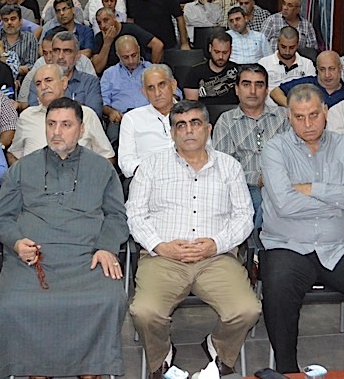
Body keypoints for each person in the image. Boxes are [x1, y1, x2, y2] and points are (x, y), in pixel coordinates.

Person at [259, 83, 344, 373]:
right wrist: (338, 201)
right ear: (288, 116)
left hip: (339, 245)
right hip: (287, 245)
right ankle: (288, 370)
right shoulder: (275, 149)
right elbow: (284, 204)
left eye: (314, 115)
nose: (308, 124)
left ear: (325, 112)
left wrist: (313, 189)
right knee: (278, 290)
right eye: (299, 117)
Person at [0, 96, 128, 379]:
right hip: (33, 260)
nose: (56, 132)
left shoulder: (102, 169)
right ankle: (36, 370)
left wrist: (106, 247)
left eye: (66, 125)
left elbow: (116, 216)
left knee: (108, 298)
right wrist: (16, 242)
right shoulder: (21, 168)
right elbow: (3, 219)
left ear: (81, 129)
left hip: (87, 259)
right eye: (51, 124)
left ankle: (90, 368)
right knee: (11, 303)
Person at [127, 100, 261, 379]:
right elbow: (135, 215)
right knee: (144, 312)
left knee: (247, 310)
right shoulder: (150, 166)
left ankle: (218, 347)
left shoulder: (229, 166)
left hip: (216, 258)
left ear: (208, 129)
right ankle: (161, 356)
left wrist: (216, 244)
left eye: (195, 123)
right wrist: (160, 246)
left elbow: (243, 217)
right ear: (172, 132)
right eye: (181, 125)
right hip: (163, 258)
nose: (188, 131)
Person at [212, 63, 290, 228]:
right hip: (244, 186)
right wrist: (257, 179)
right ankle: (260, 242)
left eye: (259, 85)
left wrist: (273, 178)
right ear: (237, 89)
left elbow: (294, 155)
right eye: (246, 84)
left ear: (266, 90)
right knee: (262, 201)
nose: (253, 91)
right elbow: (224, 168)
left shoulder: (283, 117)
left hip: (282, 183)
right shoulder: (226, 121)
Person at [8, 64, 113, 165]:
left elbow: (107, 157)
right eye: (38, 84)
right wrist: (23, 174)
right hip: (35, 175)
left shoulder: (86, 114)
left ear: (64, 83)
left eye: (48, 80)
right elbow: (13, 153)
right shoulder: (26, 116)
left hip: (78, 175)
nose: (43, 87)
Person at [118, 64, 178, 178]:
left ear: (173, 85)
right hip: (148, 178)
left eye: (161, 85)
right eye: (151, 88)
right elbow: (126, 162)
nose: (157, 93)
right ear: (144, 92)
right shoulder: (132, 118)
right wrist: (150, 172)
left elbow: (205, 152)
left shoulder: (191, 114)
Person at [18, 31, 101, 113]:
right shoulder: (39, 81)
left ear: (78, 55)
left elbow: (94, 115)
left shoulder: (90, 82)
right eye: (56, 50)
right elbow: (35, 112)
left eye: (67, 51)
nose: (60, 56)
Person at [101, 35, 152, 142]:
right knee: (112, 139)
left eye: (134, 55)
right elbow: (103, 102)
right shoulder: (109, 74)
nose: (131, 61)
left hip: (150, 117)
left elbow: (174, 94)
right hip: (121, 119)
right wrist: (111, 112)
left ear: (139, 50)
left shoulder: (152, 69)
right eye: (125, 57)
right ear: (118, 55)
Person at [126, 0, 190, 51]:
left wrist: (184, 43)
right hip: (142, 45)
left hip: (166, 44)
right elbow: (130, 20)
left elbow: (179, 17)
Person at [92, 7, 164, 74]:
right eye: (99, 23)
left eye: (106, 20)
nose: (103, 26)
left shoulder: (131, 29)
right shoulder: (99, 38)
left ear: (114, 17)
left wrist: (152, 71)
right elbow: (98, 68)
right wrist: (107, 43)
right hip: (113, 76)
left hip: (137, 72)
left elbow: (158, 45)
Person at [271, 49, 344, 108]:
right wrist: (294, 107)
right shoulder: (307, 84)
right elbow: (275, 92)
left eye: (331, 69)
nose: (327, 75)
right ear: (317, 69)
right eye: (322, 69)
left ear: (340, 68)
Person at [182, 28, 240, 105]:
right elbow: (191, 106)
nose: (220, 56)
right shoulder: (194, 73)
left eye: (225, 52)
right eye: (217, 52)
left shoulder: (238, 71)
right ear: (210, 48)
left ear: (231, 50)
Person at [258, 26, 315, 93]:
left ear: (297, 44)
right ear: (277, 42)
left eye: (291, 47)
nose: (287, 52)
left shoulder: (307, 64)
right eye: (283, 47)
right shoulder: (263, 63)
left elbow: (312, 91)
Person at [0, 4, 38, 78]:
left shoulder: (30, 38)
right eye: (6, 20)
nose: (9, 22)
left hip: (23, 79)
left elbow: (32, 65)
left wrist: (12, 70)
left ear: (20, 21)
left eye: (13, 19)